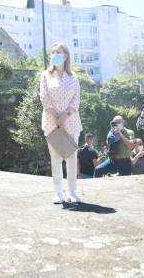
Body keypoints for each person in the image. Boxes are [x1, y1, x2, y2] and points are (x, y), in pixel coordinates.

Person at [40, 42, 82, 204]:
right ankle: (58, 192)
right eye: (52, 52)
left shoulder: (73, 77)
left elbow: (76, 100)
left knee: (72, 157)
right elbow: (44, 97)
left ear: (65, 56)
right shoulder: (45, 75)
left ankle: (72, 191)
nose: (54, 55)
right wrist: (56, 117)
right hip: (51, 122)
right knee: (55, 158)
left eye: (58, 52)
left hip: (71, 121)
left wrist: (64, 117)